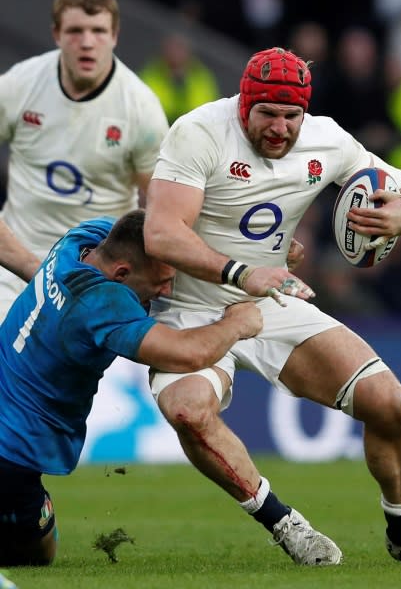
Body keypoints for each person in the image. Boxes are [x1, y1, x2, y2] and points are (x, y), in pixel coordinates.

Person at [143, 46, 401, 567]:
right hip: (191, 306)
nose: (280, 129)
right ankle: (286, 524)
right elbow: (161, 232)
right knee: (188, 411)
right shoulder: (199, 131)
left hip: (270, 300)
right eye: (267, 113)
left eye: (291, 117)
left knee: (391, 403)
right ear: (244, 103)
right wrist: (244, 271)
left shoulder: (327, 138)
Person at [0, 209, 262, 567]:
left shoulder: (82, 239)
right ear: (121, 274)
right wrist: (237, 323)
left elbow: (169, 233)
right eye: (162, 281)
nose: (168, 290)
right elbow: (187, 354)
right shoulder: (104, 304)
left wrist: (263, 258)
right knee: (35, 556)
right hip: (11, 454)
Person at [0, 0, 169, 321]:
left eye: (98, 31)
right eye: (76, 31)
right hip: (16, 261)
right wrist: (37, 272)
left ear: (115, 36)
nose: (87, 42)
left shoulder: (141, 109)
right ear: (57, 35)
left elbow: (164, 210)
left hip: (95, 274)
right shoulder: (19, 84)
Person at [139, 32, 220, 126]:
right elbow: (145, 107)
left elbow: (206, 113)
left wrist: (182, 87)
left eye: (180, 47)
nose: (176, 53)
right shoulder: (151, 72)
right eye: (172, 47)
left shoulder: (202, 78)